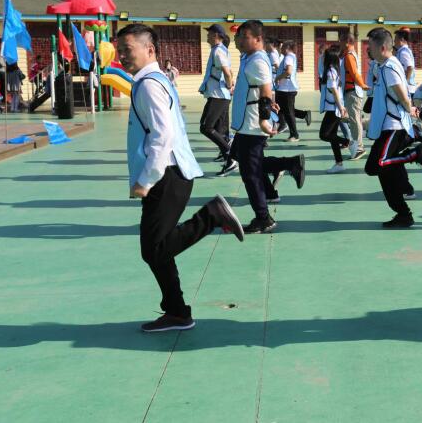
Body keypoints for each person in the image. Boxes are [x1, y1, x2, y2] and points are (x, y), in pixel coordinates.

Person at [116, 23, 244, 333]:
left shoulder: (148, 84)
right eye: (119, 51)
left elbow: (163, 136)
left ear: (149, 49)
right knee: (157, 249)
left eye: (127, 50)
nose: (121, 56)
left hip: (166, 175)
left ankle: (212, 216)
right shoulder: (155, 79)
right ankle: (176, 312)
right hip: (172, 173)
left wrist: (145, 181)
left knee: (154, 250)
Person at [229, 20, 305, 233]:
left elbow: (265, 89)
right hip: (246, 123)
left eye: (244, 37)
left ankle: (264, 218)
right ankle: (290, 164)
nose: (240, 40)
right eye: (239, 36)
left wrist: (264, 118)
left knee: (250, 174)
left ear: (258, 39)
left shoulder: (258, 61)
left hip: (253, 125)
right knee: (245, 160)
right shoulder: (249, 58)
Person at [365, 28, 422, 228]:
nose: (368, 49)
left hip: (394, 126)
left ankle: (414, 154)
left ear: (382, 47)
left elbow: (401, 93)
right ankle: (403, 214)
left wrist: (409, 108)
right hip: (387, 126)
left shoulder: (389, 67)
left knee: (375, 165)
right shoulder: (383, 65)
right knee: (386, 173)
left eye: (370, 46)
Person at [198, 24, 236, 175]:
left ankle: (230, 156)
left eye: (209, 34)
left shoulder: (219, 51)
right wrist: (230, 84)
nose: (207, 36)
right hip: (219, 96)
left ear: (216, 35)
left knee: (206, 127)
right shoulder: (220, 50)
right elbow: (229, 71)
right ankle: (227, 156)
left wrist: (228, 85)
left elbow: (227, 72)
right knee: (220, 130)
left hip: (218, 95)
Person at [320, 44, 350, 173]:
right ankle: (339, 163)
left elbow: (334, 91)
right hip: (333, 108)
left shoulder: (331, 71)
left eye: (324, 56)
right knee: (332, 136)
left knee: (324, 135)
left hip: (334, 109)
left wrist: (341, 107)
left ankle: (348, 142)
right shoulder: (334, 70)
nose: (322, 58)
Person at [274, 40, 312, 142]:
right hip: (285, 88)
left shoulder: (288, 57)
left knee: (288, 112)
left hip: (287, 89)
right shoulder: (291, 56)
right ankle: (303, 115)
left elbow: (288, 71)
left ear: (286, 48)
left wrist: (277, 78)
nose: (280, 48)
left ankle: (294, 135)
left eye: (282, 47)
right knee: (283, 110)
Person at [342, 33, 369, 160]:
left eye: (341, 41)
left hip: (352, 92)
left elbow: (353, 73)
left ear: (347, 42)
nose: (340, 44)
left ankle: (359, 148)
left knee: (354, 120)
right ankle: (358, 146)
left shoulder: (348, 56)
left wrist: (362, 84)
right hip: (352, 91)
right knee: (354, 119)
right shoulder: (352, 54)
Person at [394, 27, 417, 93]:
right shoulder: (402, 51)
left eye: (395, 39)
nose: (394, 41)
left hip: (407, 88)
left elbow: (410, 67)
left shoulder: (403, 52)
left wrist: (405, 82)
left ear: (401, 39)